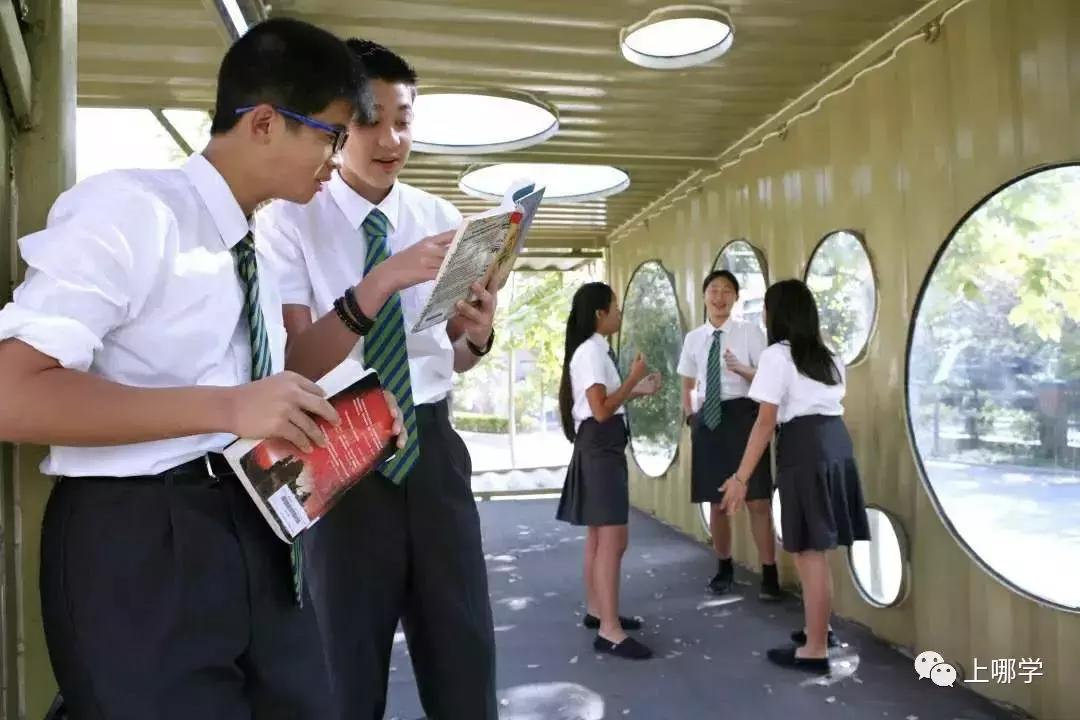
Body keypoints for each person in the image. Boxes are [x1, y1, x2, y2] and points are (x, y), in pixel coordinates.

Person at [0, 18, 405, 720]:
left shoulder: (259, 240)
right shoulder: (131, 209)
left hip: (257, 527)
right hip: (140, 542)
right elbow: (13, 394)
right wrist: (226, 408)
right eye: (332, 134)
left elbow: (268, 384)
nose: (339, 160)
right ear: (266, 123)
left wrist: (349, 416)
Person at [255, 39, 500, 720]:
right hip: (338, 449)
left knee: (465, 656)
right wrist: (384, 278)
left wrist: (476, 333)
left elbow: (449, 358)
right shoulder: (287, 220)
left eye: (404, 120)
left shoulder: (442, 220)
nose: (391, 139)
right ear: (335, 122)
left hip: (433, 451)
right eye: (370, 120)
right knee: (342, 668)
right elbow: (298, 361)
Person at [719, 278, 871, 673]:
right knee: (819, 550)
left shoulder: (777, 356)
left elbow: (765, 422)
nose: (765, 316)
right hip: (837, 446)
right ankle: (817, 631)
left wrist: (740, 477)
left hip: (804, 449)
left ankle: (816, 649)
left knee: (809, 553)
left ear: (778, 314)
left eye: (767, 309)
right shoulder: (829, 355)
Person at [555, 281, 660, 661]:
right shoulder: (591, 353)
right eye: (615, 306)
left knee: (602, 538)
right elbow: (600, 410)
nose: (619, 312)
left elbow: (603, 403)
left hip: (601, 447)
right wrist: (633, 378)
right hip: (600, 448)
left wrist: (636, 389)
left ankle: (600, 612)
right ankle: (610, 631)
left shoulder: (596, 351)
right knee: (612, 540)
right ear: (600, 313)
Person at [677, 269, 780, 600]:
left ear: (736, 297)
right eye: (714, 290)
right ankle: (723, 567)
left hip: (744, 417)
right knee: (717, 502)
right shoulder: (694, 339)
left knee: (758, 500)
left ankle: (769, 573)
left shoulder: (751, 333)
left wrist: (739, 369)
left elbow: (767, 381)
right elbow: (688, 383)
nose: (719, 297)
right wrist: (693, 418)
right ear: (705, 295)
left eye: (726, 291)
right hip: (708, 420)